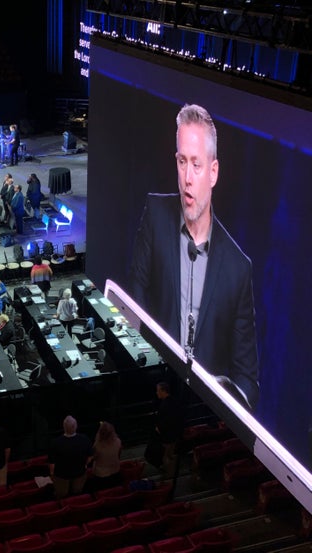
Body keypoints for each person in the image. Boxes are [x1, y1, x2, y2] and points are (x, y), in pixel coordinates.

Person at [130, 103, 259, 410]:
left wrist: (224, 401)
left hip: (201, 413)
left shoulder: (237, 268)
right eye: (181, 161)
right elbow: (133, 303)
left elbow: (247, 380)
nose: (187, 177)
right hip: (152, 394)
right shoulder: (156, 216)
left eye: (197, 165)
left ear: (213, 172)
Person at [47, 416, 93, 499]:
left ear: (64, 427)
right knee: (77, 492)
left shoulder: (55, 443)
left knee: (62, 494)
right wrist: (85, 465)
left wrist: (52, 474)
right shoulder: (84, 439)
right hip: (80, 473)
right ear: (76, 426)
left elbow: (52, 463)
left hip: (61, 475)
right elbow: (90, 457)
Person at [149, 381, 184, 476]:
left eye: (158, 390)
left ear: (163, 391)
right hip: (174, 434)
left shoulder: (165, 405)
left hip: (167, 436)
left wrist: (158, 428)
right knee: (170, 454)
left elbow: (166, 421)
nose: (156, 393)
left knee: (166, 455)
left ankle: (169, 474)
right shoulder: (174, 401)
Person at [87, 421, 123, 492]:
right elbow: (119, 455)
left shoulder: (97, 446)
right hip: (115, 471)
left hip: (101, 476)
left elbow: (93, 458)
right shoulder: (118, 441)